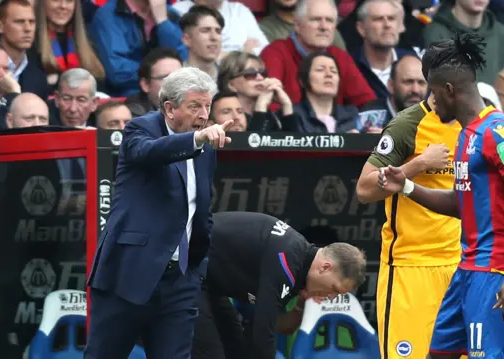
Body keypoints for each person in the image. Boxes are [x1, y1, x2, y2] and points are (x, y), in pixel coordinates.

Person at [378, 33, 504, 359]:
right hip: (466, 268)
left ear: (449, 91)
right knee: (437, 353)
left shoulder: (498, 131)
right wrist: (407, 186)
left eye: (435, 92)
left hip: (495, 273)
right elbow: (459, 203)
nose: (432, 100)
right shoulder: (466, 136)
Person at [85, 67, 232, 359]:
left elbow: (201, 209)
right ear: (169, 108)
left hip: (179, 281)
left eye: (207, 105)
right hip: (128, 273)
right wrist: (196, 141)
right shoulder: (141, 129)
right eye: (195, 106)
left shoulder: (206, 147)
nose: (204, 114)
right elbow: (149, 153)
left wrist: (195, 270)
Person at [355, 44, 462, 359]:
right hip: (410, 266)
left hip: (460, 265)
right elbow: (364, 189)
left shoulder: (475, 123)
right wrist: (417, 164)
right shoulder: (407, 124)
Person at [192, 211, 367, 359]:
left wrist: (299, 307)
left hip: (209, 284)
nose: (331, 297)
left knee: (236, 348)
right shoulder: (287, 260)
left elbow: (260, 330)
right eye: (334, 290)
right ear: (325, 267)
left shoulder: (298, 264)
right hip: (186, 271)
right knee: (212, 352)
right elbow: (262, 335)